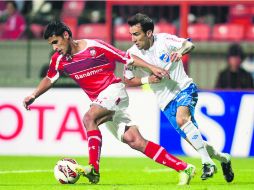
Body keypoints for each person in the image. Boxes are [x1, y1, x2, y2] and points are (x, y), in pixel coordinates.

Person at [23, 21, 196, 185]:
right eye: (51, 45)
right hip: (101, 101)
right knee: (134, 140)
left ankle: (93, 169)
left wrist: (152, 67)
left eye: (56, 42)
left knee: (89, 118)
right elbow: (50, 78)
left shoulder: (95, 46)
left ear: (66, 35)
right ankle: (185, 168)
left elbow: (127, 57)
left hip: (113, 91)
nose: (55, 48)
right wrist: (34, 95)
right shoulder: (58, 59)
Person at [123, 13, 234, 182]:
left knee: (182, 120)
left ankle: (207, 163)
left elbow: (189, 44)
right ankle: (224, 159)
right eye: (131, 34)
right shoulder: (131, 54)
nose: (133, 39)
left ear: (149, 33)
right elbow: (128, 80)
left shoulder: (164, 41)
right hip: (165, 102)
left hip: (184, 88)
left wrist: (180, 52)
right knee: (197, 142)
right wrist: (148, 79)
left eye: (136, 34)